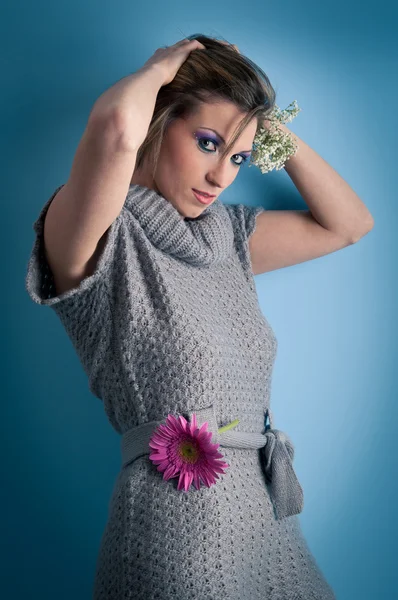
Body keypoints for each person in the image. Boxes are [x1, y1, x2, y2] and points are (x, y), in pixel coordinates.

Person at [25, 34, 344, 599]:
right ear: (158, 120)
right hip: (177, 533)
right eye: (206, 142)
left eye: (239, 158)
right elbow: (118, 130)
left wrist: (263, 124)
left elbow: (346, 224)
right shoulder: (95, 235)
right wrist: (161, 67)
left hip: (271, 522)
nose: (223, 177)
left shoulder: (228, 237)